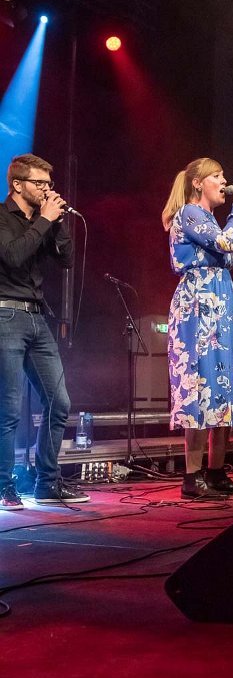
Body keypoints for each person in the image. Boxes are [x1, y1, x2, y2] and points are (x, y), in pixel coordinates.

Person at [0, 153, 90, 509]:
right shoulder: (1, 216)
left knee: (59, 401)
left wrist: (57, 222)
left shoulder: (45, 218)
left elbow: (66, 259)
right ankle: (4, 485)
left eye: (49, 184)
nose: (46, 189)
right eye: (39, 183)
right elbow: (12, 256)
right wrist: (44, 220)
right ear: (17, 184)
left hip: (38, 319)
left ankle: (46, 483)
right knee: (9, 408)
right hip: (6, 314)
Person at [162, 157, 233, 499]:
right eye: (217, 176)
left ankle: (216, 472)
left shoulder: (210, 219)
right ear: (198, 183)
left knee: (222, 389)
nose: (224, 181)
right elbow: (228, 243)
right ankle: (192, 476)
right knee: (199, 387)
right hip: (197, 308)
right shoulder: (190, 213)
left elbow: (220, 263)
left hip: (219, 304)